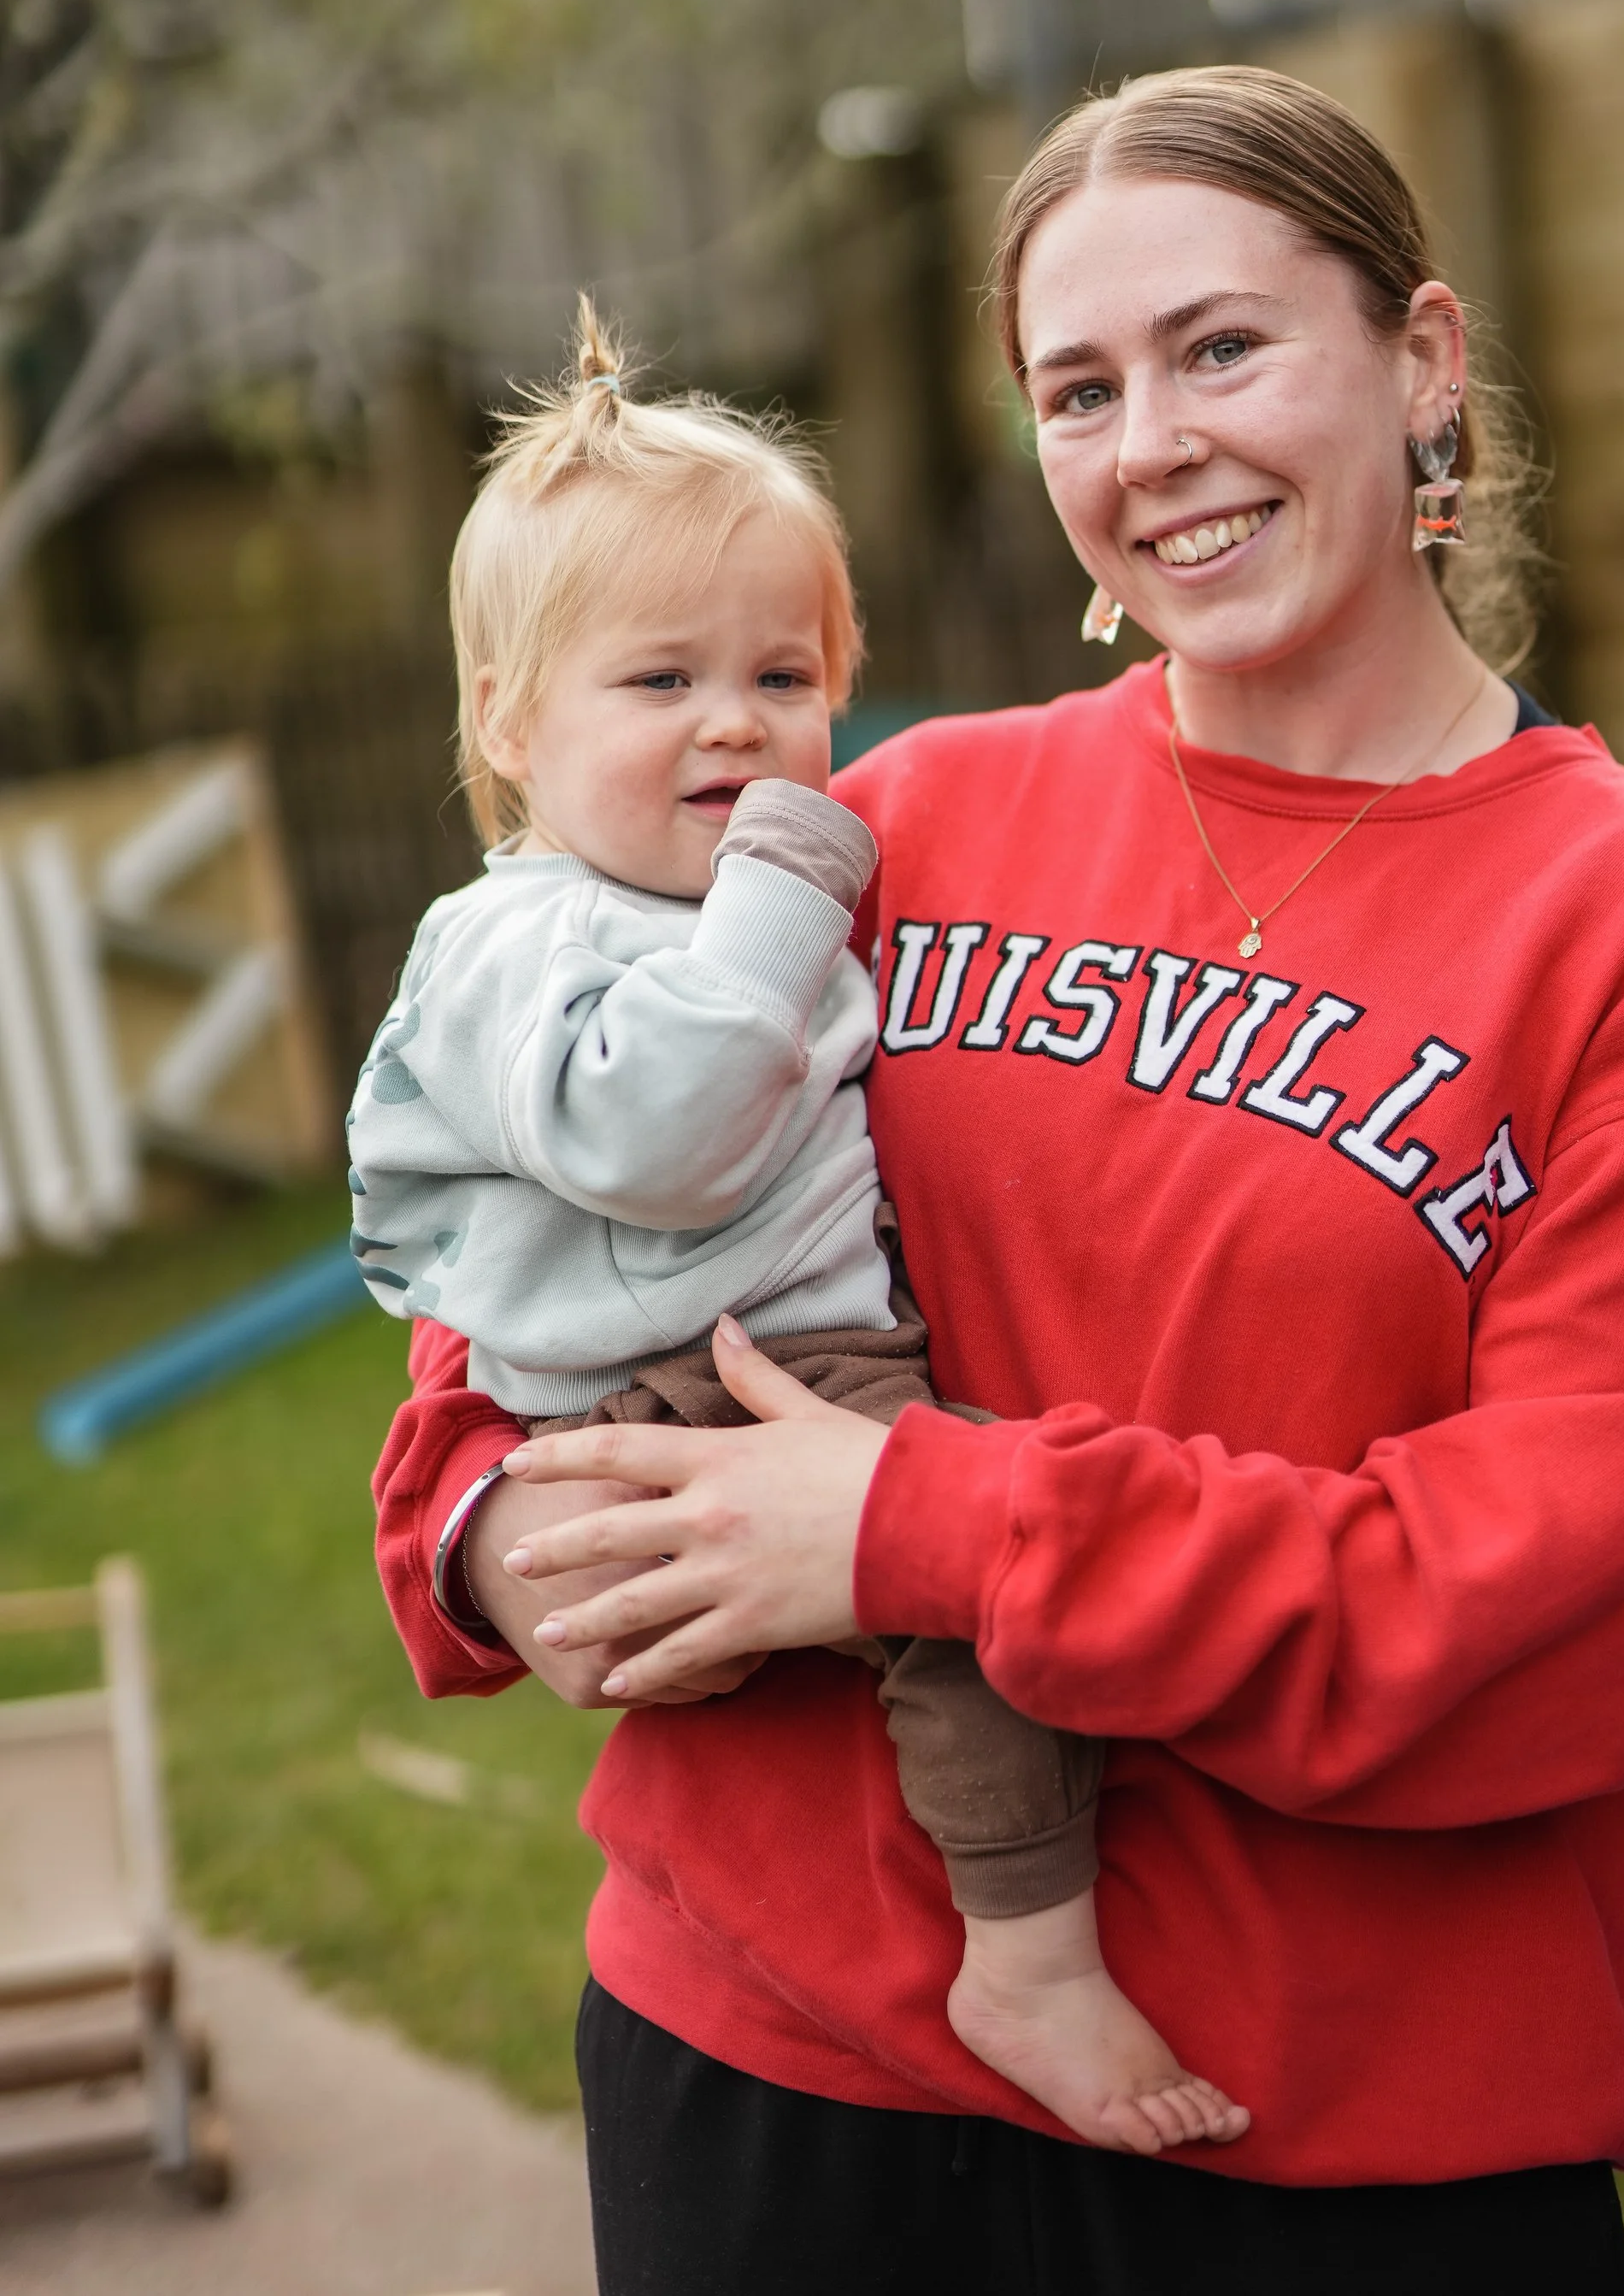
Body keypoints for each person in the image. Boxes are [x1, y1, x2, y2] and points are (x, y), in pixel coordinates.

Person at [374, 65, 1624, 2295]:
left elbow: (1548, 1621)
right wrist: (486, 1526)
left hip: (1334, 2133)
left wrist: (928, 1523)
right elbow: (550, 1231)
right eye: (1077, 384)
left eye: (1221, 345)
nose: (1147, 437)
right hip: (761, 2071)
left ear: (1422, 361)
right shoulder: (890, 815)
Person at [351, 298, 1244, 2155]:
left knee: (970, 1565)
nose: (739, 725)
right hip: (714, 1378)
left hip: (746, 1354)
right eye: (659, 683)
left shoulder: (701, 906)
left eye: (783, 675)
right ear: (508, 728)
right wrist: (787, 888)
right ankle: (1030, 1954)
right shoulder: (540, 930)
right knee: (982, 1591)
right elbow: (656, 1143)